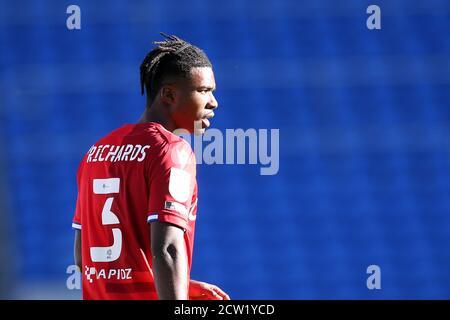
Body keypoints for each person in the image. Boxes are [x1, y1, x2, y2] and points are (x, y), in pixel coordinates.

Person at [72, 33, 230, 300]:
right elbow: (168, 248)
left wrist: (183, 284)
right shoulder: (171, 151)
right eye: (204, 91)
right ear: (169, 94)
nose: (213, 102)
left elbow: (81, 257)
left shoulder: (96, 153)